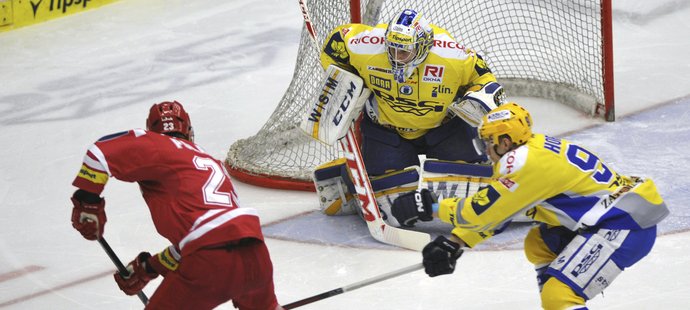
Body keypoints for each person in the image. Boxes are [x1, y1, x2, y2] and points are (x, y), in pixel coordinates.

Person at [391, 102, 670, 309]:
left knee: (559, 295)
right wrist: (455, 241)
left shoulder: (525, 164)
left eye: (488, 142)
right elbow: (505, 211)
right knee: (540, 243)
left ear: (505, 141)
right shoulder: (531, 150)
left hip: (625, 226)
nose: (485, 149)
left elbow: (480, 211)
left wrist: (430, 206)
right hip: (615, 216)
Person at [69, 101, 283, 310]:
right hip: (255, 254)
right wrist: (149, 267)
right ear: (189, 132)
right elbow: (204, 236)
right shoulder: (210, 164)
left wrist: (87, 202)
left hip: (210, 259)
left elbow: (99, 153)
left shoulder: (155, 144)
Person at [314, 8, 503, 222]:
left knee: (471, 186)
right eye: (392, 49)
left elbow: (485, 78)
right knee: (393, 209)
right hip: (387, 131)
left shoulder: (453, 56)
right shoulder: (366, 46)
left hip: (444, 129)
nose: (396, 58)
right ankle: (348, 175)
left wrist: (477, 97)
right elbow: (336, 43)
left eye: (403, 52)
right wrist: (345, 82)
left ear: (422, 47)